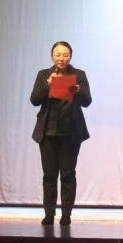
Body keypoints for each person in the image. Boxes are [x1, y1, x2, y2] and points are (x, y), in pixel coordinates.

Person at [30, 40, 92, 226]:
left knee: (68, 175)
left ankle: (66, 215)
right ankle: (49, 214)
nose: (61, 58)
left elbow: (87, 101)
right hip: (48, 133)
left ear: (70, 56)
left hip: (70, 133)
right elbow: (34, 100)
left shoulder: (79, 75)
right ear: (52, 56)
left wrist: (79, 91)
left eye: (65, 55)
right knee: (49, 176)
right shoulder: (43, 74)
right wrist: (48, 85)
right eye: (58, 54)